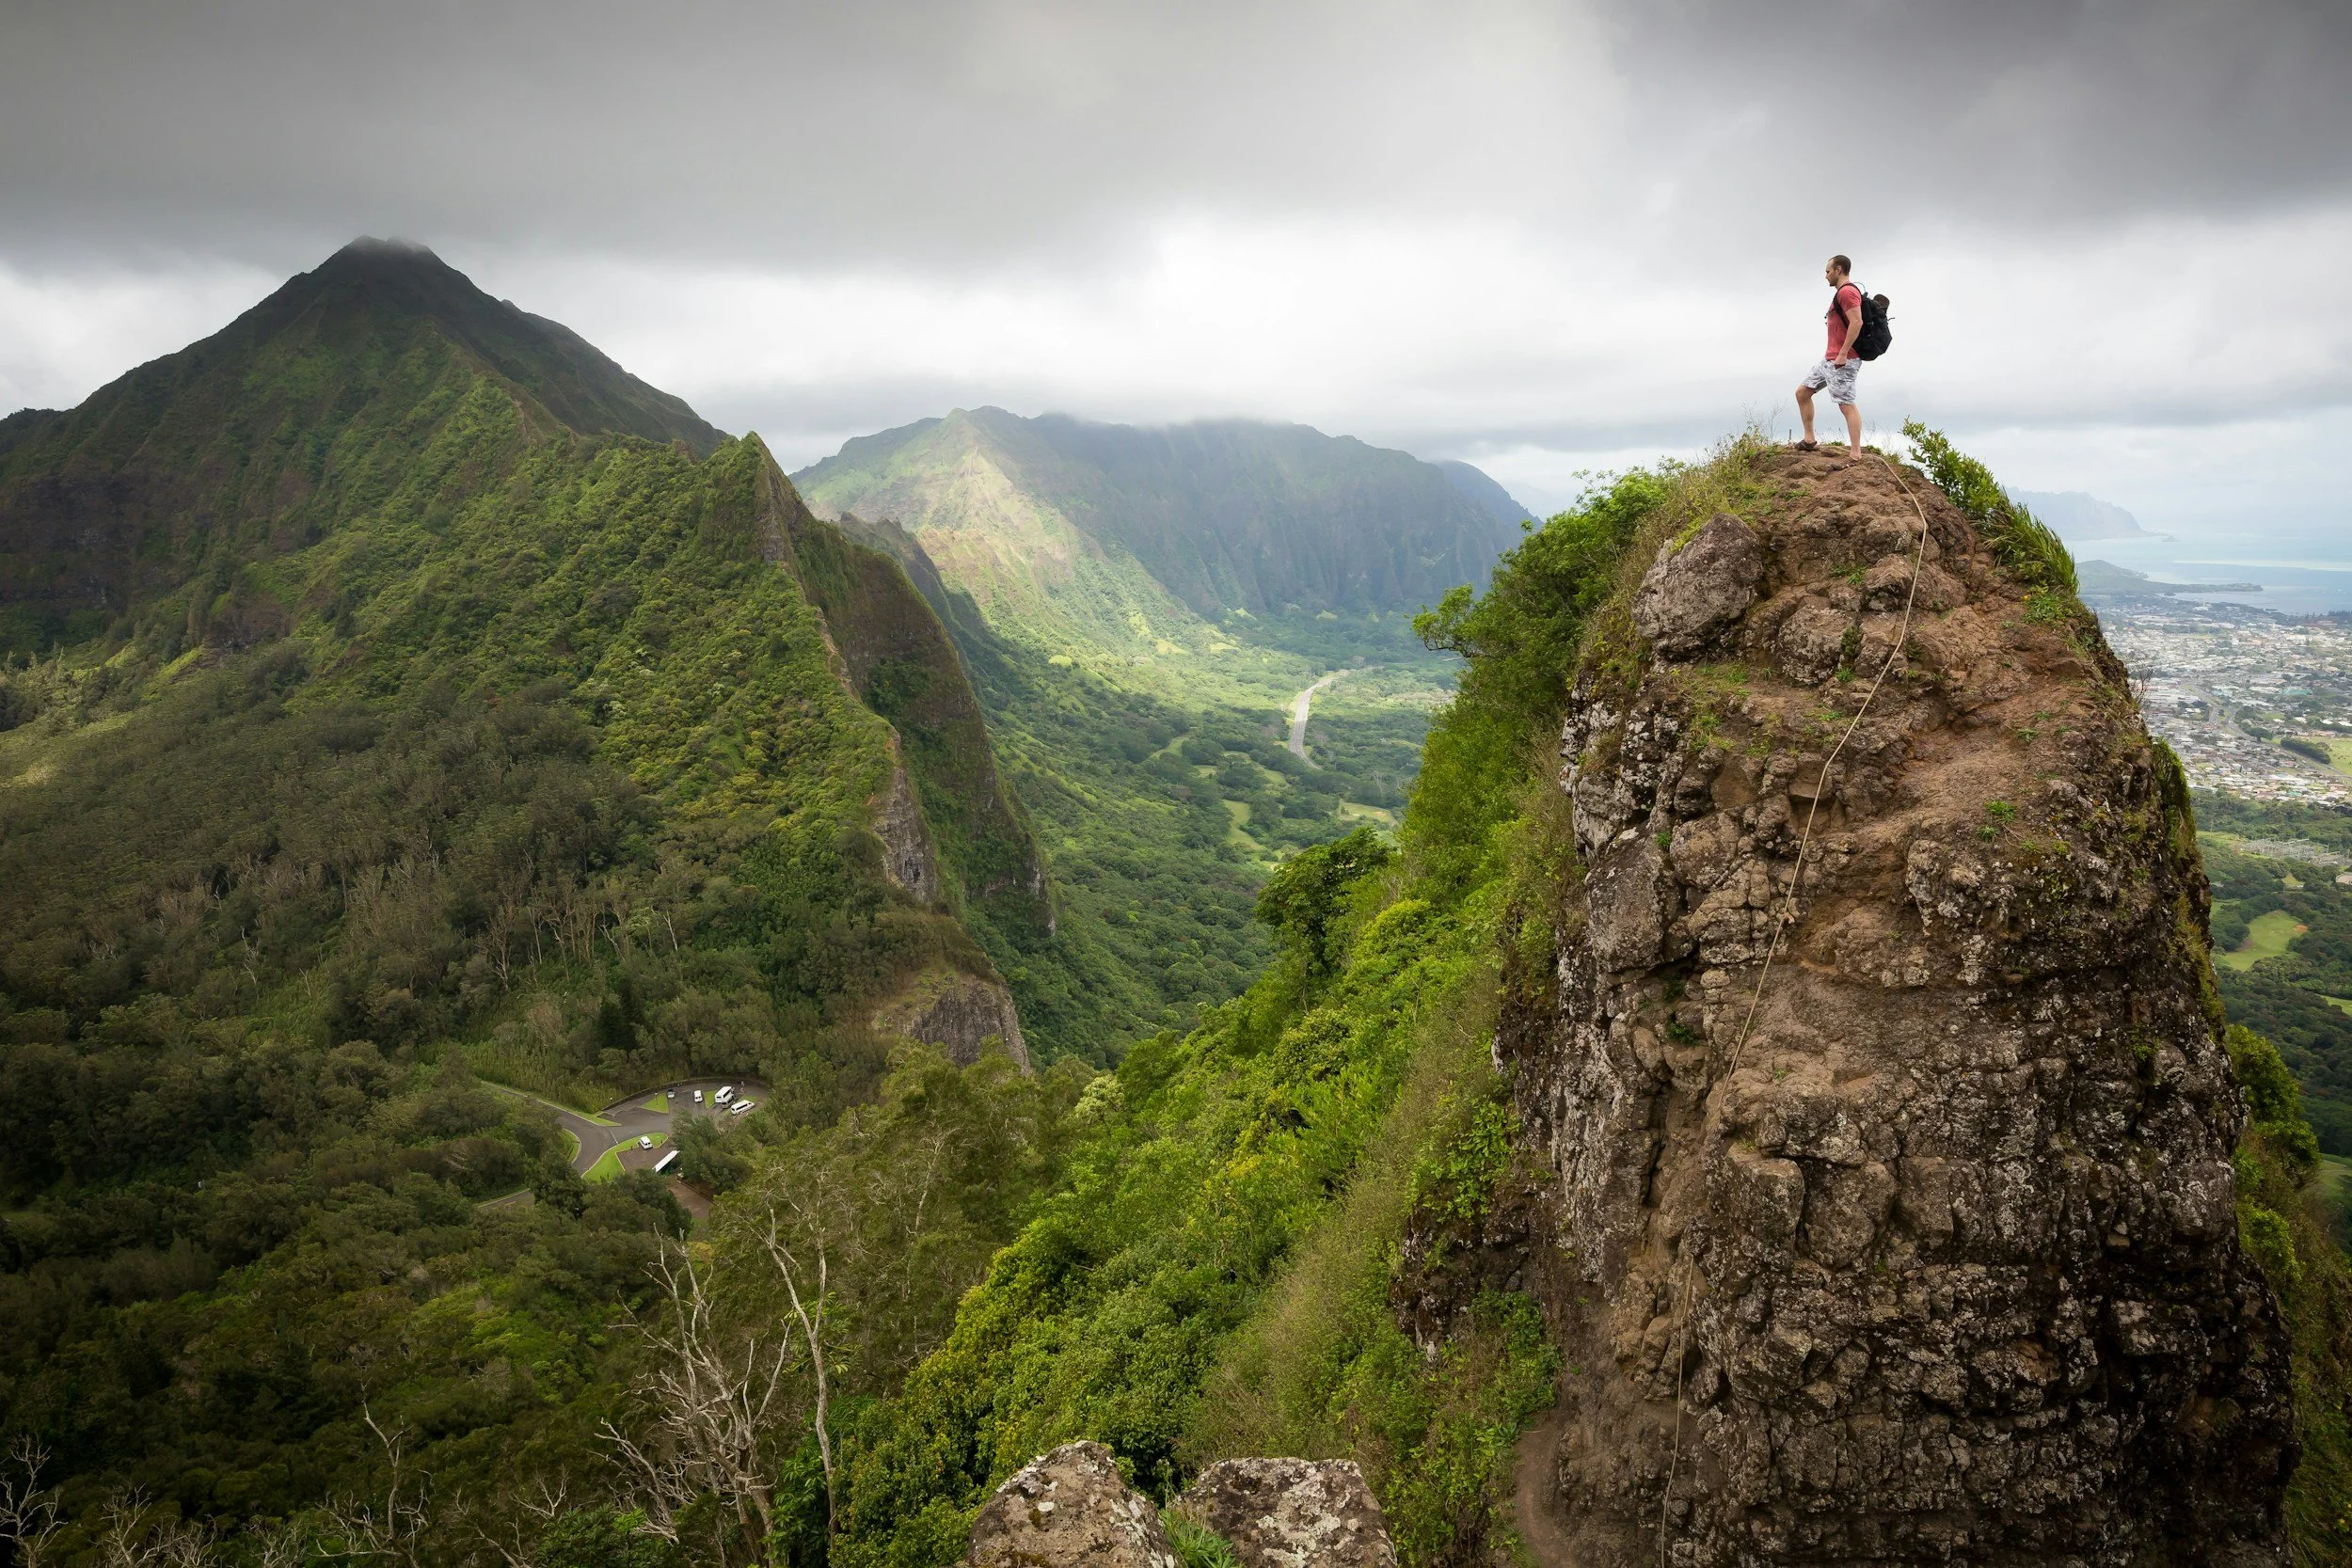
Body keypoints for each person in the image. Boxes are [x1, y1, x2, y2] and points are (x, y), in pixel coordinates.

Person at [1796, 255, 1865, 458]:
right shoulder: (1841, 294)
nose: (1825, 276)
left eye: (1828, 271)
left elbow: (1857, 322)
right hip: (1829, 359)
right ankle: (1809, 440)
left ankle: (1855, 453)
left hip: (1844, 359)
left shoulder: (1848, 292)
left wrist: (1843, 353)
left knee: (1846, 404)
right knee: (1802, 393)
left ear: (1839, 270)